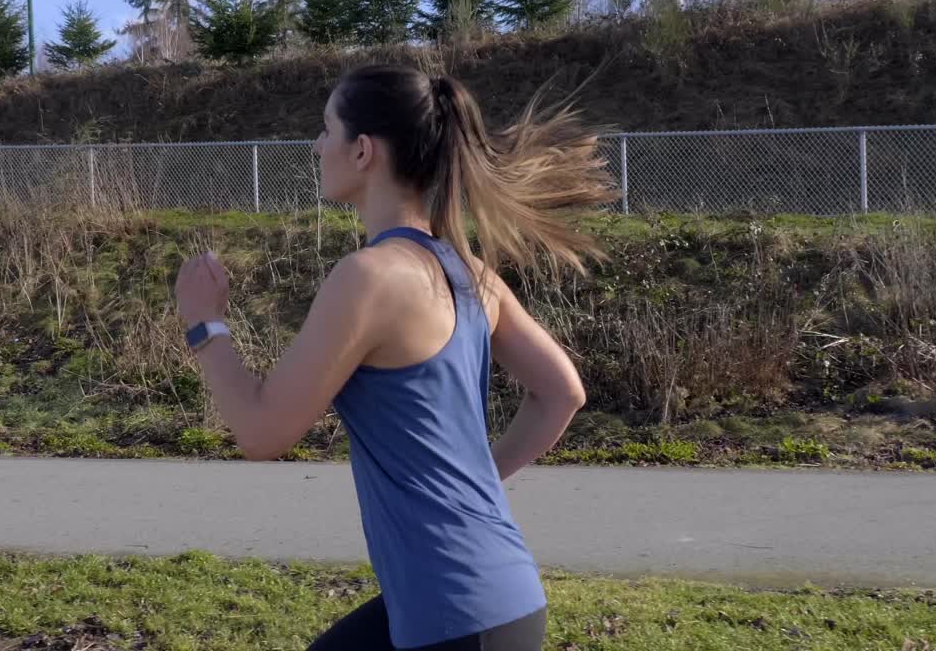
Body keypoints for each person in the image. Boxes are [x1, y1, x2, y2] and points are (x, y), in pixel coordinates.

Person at [174, 64, 617, 650]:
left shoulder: (369, 278)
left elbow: (260, 432)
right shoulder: (471, 272)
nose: (315, 146)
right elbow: (563, 393)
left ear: (362, 151)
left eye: (326, 129)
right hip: (500, 599)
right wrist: (480, 478)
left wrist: (205, 323)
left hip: (455, 617)